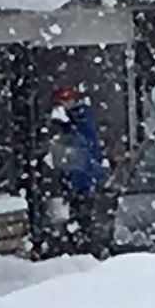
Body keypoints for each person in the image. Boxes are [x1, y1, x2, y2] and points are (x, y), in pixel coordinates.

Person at [45, 86, 106, 255]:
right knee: (80, 216)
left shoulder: (78, 121)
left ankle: (82, 247)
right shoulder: (78, 120)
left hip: (80, 178)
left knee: (81, 215)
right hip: (79, 177)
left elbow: (81, 147)